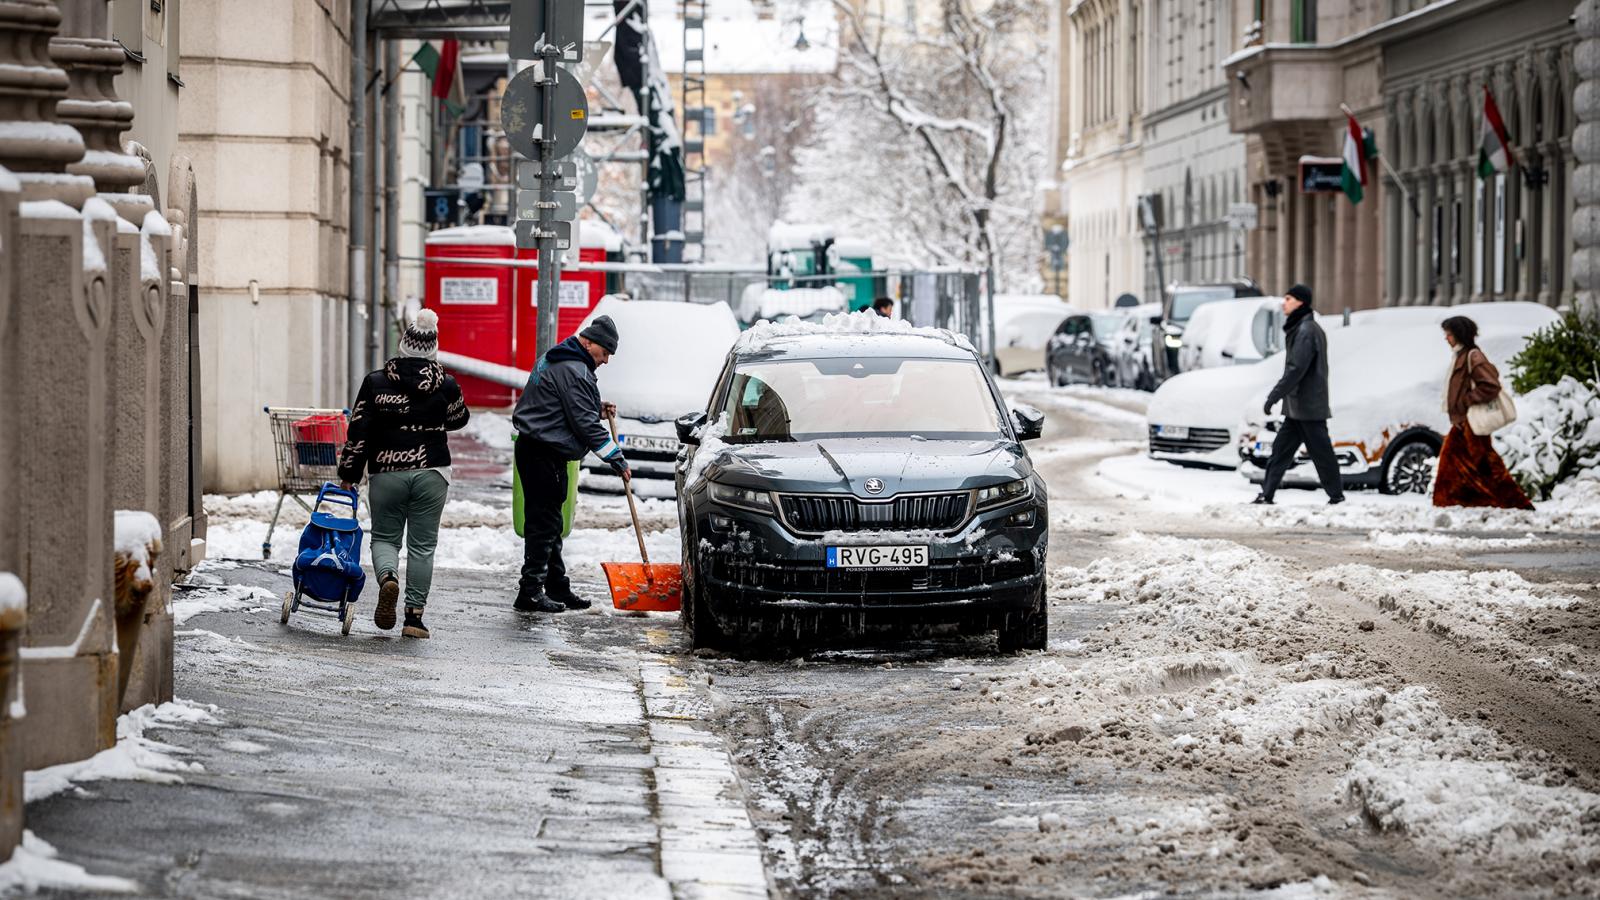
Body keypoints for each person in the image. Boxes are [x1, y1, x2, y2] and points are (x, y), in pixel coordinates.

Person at [337, 309, 470, 639]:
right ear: (433, 349)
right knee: (423, 547)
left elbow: (359, 430)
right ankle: (414, 619)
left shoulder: (375, 382)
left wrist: (349, 473)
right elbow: (459, 419)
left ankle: (388, 579)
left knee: (385, 538)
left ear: (403, 346)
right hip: (432, 471)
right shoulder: (447, 384)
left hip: (387, 471)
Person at [511, 316, 630, 613]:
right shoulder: (574, 370)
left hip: (538, 448)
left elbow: (562, 406)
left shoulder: (559, 358)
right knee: (543, 524)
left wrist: (595, 408)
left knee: (550, 522)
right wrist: (615, 457)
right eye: (604, 354)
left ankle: (555, 587)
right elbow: (585, 424)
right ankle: (530, 592)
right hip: (544, 452)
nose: (605, 361)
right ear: (589, 343)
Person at [1253, 284, 1345, 506]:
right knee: (1280, 452)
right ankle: (1267, 494)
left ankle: (1336, 496)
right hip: (1298, 408)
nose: (1284, 303)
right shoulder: (1302, 328)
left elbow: (1296, 369)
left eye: (1288, 298)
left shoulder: (1306, 331)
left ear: (1300, 302)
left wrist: (1274, 396)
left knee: (1322, 454)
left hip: (1308, 407)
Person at [1434, 316, 1534, 510]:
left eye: (1449, 334)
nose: (1446, 338)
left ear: (1459, 335)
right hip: (1462, 422)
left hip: (1472, 422)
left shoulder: (1473, 356)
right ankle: (1456, 502)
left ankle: (1514, 502)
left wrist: (1467, 400)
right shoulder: (1460, 355)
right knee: (1455, 465)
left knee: (1485, 464)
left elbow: (1490, 385)